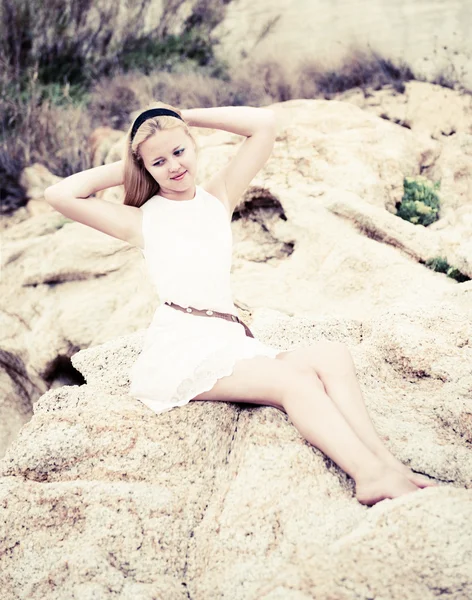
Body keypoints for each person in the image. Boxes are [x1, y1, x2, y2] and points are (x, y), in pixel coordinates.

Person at [44, 102, 436, 506]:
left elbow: (263, 125)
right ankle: (368, 477)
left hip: (228, 339)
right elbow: (59, 193)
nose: (175, 166)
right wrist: (137, 159)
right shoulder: (142, 219)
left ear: (193, 147)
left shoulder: (217, 197)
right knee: (293, 382)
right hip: (183, 350)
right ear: (145, 168)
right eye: (160, 162)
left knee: (333, 355)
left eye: (180, 152)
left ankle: (387, 465)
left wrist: (181, 116)